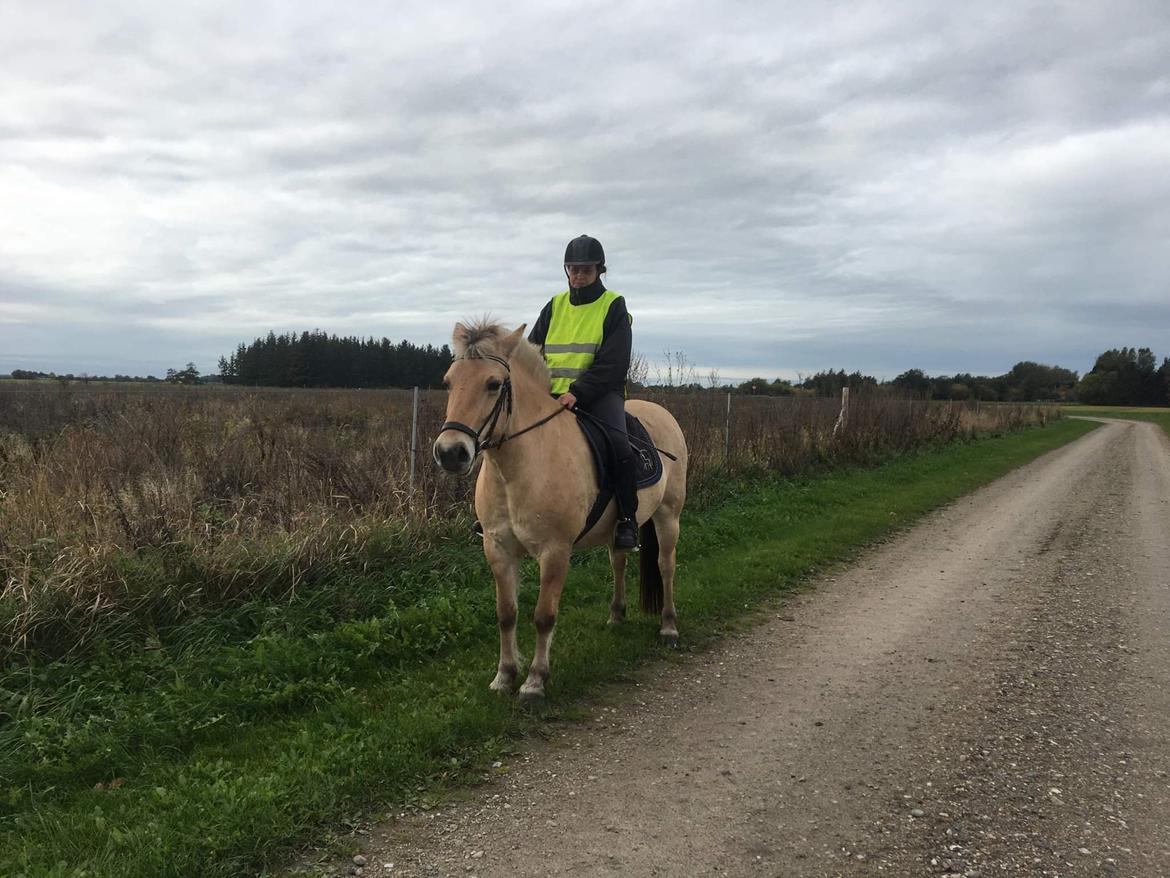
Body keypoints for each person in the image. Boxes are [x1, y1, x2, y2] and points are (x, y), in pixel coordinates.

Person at [528, 235, 638, 550]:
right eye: (573, 269)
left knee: (619, 443)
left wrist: (578, 392)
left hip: (599, 395)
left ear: (599, 270)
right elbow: (533, 352)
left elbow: (614, 362)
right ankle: (498, 515)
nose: (578, 275)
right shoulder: (554, 306)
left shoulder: (613, 306)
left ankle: (627, 521)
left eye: (585, 269)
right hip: (550, 396)